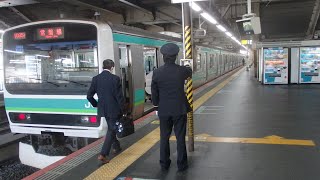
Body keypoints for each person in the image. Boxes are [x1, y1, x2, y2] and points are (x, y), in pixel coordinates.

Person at [151, 43, 192, 172]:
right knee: (180, 137)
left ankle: (164, 163)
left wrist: (157, 104)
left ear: (163, 57)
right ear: (175, 57)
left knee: (164, 137)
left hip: (163, 110)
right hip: (179, 109)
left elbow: (154, 93)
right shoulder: (182, 71)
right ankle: (182, 164)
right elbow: (189, 72)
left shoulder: (157, 72)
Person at [87, 59, 125, 163]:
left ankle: (116, 146)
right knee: (112, 129)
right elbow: (119, 97)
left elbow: (89, 96)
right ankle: (103, 154)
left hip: (103, 109)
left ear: (103, 67)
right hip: (114, 109)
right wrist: (124, 109)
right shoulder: (115, 79)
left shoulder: (96, 79)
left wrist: (96, 105)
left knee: (111, 127)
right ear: (112, 67)